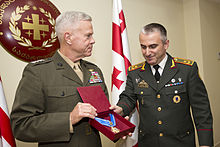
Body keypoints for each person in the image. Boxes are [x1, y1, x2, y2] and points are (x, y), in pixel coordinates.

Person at [10, 11, 108, 147]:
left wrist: (117, 120)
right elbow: (21, 125)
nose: (93, 40)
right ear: (68, 37)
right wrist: (69, 119)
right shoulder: (38, 72)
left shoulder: (94, 70)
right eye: (88, 35)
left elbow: (100, 114)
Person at [110, 23, 213, 147]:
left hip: (180, 142)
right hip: (148, 142)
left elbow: (202, 112)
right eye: (143, 47)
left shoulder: (187, 70)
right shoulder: (135, 72)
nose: (147, 52)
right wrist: (120, 108)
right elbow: (129, 97)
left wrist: (205, 144)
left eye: (152, 46)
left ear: (166, 44)